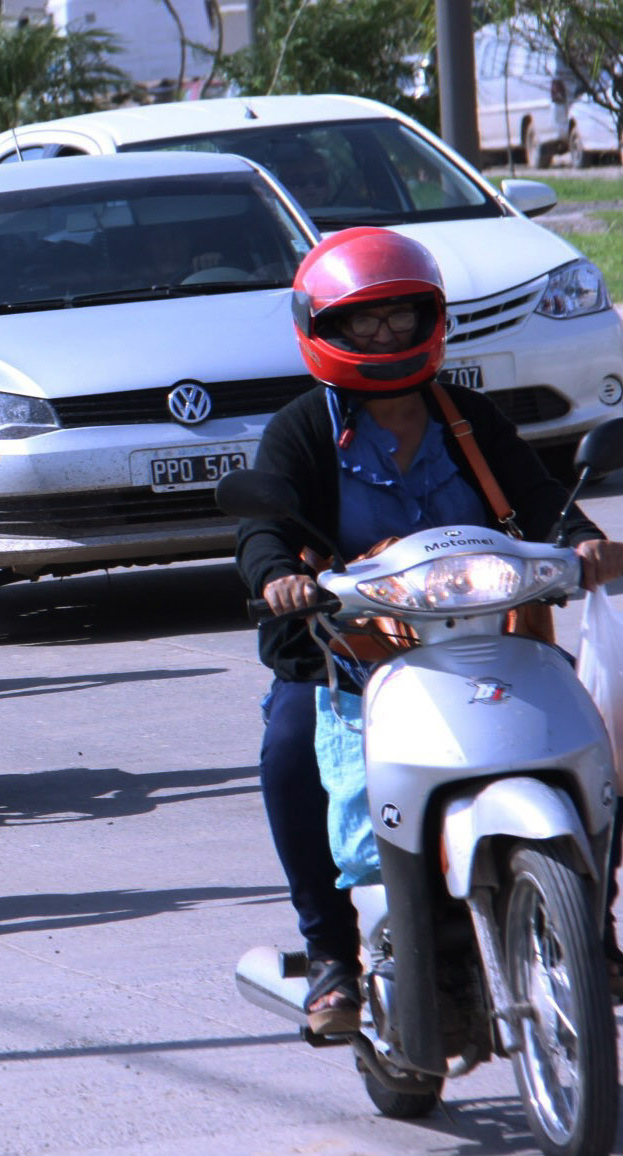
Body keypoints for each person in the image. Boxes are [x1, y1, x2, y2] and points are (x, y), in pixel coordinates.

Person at [236, 227, 623, 1035]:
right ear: (320, 327)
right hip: (351, 654)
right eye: (362, 322)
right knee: (285, 748)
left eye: (400, 317)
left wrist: (583, 539)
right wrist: (280, 576)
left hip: (487, 636)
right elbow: (263, 526)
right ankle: (335, 957)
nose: (384, 335)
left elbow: (541, 497)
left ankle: (593, 922)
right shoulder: (305, 429)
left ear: (432, 320)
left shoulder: (469, 418)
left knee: (596, 739)